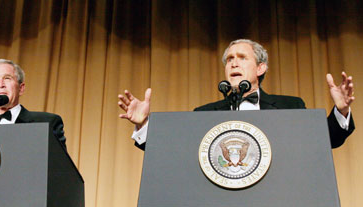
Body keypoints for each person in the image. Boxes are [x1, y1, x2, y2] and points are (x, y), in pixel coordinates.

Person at [118, 39, 355, 150]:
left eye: (242, 58)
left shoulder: (290, 105)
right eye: (229, 59)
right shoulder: (204, 113)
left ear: (260, 68)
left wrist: (341, 111)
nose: (233, 63)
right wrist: (143, 126)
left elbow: (324, 142)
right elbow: (172, 150)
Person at [0, 59, 67, 149]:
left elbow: (58, 161)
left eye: (7, 78)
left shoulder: (48, 122)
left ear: (21, 88)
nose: (1, 84)